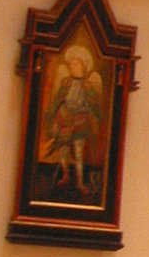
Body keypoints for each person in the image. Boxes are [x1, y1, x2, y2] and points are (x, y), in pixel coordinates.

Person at [43, 47, 104, 195]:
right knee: (63, 149)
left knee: (78, 152)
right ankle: (65, 175)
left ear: (83, 66)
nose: (72, 67)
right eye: (71, 64)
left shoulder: (88, 85)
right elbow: (58, 99)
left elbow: (93, 104)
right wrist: (50, 115)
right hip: (64, 118)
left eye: (76, 64)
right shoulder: (66, 82)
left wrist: (98, 117)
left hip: (79, 121)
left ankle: (80, 182)